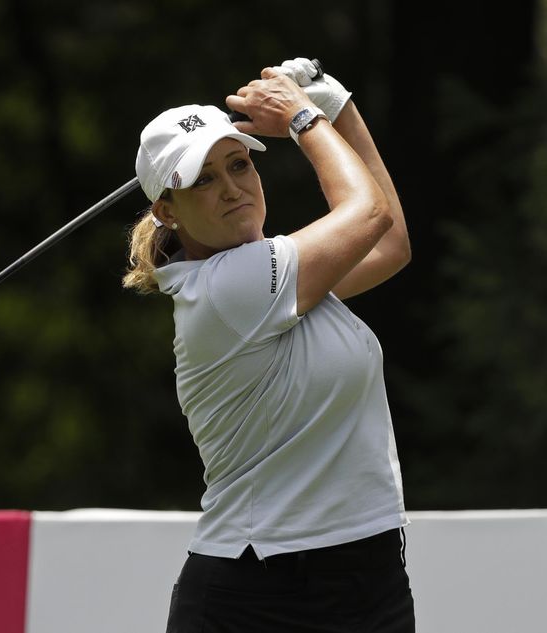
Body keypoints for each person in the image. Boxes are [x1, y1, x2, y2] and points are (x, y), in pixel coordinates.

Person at [123, 58, 414, 632]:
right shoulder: (227, 290)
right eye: (203, 180)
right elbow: (370, 213)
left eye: (239, 165)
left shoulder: (281, 282)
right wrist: (305, 118)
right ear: (167, 212)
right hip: (258, 591)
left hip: (368, 574)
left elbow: (390, 244)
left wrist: (339, 109)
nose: (232, 189)